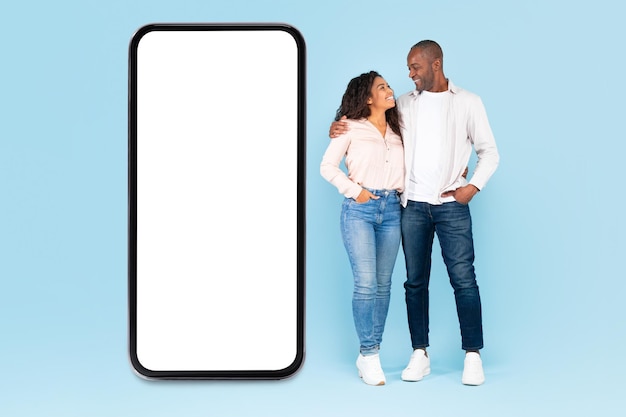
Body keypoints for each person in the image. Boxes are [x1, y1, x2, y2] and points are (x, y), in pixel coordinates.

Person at [329, 40, 499, 386]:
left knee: (463, 279)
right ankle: (419, 353)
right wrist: (338, 125)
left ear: (435, 64)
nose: (409, 74)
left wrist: (472, 186)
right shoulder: (403, 105)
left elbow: (489, 152)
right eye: (408, 68)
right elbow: (368, 125)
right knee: (414, 282)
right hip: (411, 207)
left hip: (452, 205)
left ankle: (472, 355)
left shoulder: (468, 102)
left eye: (415, 67)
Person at [320, 71, 404, 386]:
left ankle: (372, 351)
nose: (390, 89)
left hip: (393, 209)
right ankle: (369, 355)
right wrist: (356, 192)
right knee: (366, 284)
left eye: (388, 86)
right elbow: (327, 166)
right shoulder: (349, 127)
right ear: (367, 98)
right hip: (360, 209)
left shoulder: (399, 129)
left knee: (384, 285)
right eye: (382, 87)